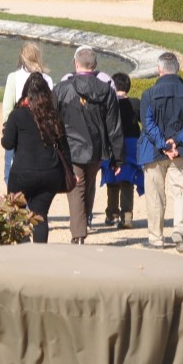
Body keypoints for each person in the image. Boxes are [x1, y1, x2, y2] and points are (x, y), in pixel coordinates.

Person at [52, 46, 123, 244]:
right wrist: (118, 158)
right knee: (87, 186)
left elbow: (53, 119)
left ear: (76, 64)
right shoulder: (107, 90)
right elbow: (114, 128)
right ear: (95, 66)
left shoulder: (62, 88)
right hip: (96, 148)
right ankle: (83, 224)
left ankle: (79, 233)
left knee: (76, 188)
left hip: (72, 147)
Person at [138, 52, 183, 252]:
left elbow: (148, 124)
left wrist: (163, 144)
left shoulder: (148, 94)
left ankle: (156, 238)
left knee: (155, 194)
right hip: (182, 150)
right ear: (178, 69)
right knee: (182, 191)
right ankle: (180, 230)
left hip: (154, 151)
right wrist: (176, 141)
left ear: (159, 70)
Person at [2, 72, 73, 243]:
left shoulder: (18, 115)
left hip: (23, 173)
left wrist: (5, 134)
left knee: (17, 214)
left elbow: (8, 144)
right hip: (50, 173)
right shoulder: (54, 116)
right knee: (40, 216)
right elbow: (64, 147)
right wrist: (70, 171)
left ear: (26, 93)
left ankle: (24, 250)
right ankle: (40, 255)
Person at [1, 42, 53, 186]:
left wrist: (7, 127)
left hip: (18, 126)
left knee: (10, 173)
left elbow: (7, 107)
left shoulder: (14, 77)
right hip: (40, 129)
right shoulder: (47, 79)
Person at [102, 71, 144, 230]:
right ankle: (127, 215)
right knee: (127, 180)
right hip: (132, 143)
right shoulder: (135, 103)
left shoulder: (109, 102)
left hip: (113, 143)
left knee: (112, 179)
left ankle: (112, 213)